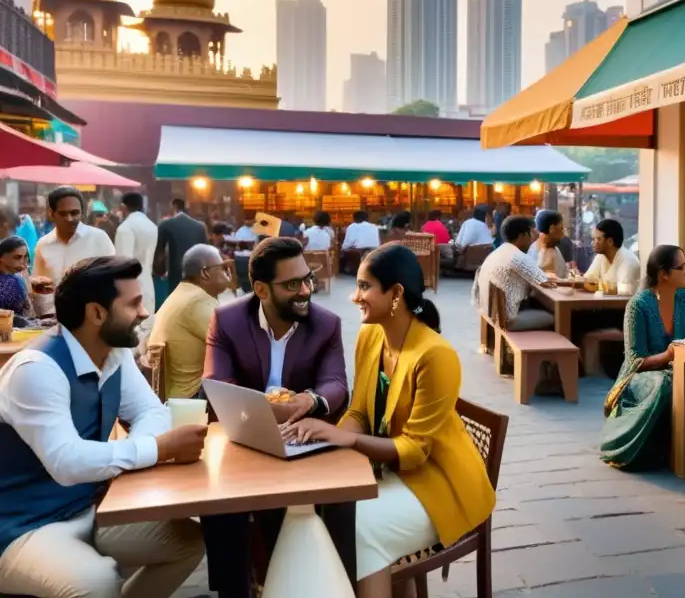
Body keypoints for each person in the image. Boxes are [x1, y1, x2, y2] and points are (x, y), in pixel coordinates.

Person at [282, 245, 495, 598]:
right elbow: (360, 412)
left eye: (365, 286)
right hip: (391, 474)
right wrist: (326, 440)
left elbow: (415, 451)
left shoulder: (436, 355)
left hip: (440, 486)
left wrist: (342, 440)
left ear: (396, 294)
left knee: (359, 526)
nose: (354, 296)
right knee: (317, 507)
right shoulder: (371, 335)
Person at [0, 256, 208, 597]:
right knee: (96, 582)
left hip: (91, 507)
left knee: (186, 542)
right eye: (134, 304)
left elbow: (152, 414)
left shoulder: (114, 354)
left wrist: (140, 453)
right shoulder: (36, 369)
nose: (143, 314)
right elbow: (67, 463)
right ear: (97, 313)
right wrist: (159, 449)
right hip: (22, 525)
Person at [201, 236, 349, 598]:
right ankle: (234, 589)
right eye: (292, 284)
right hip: (243, 435)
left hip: (301, 439)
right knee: (220, 503)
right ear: (261, 289)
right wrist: (263, 408)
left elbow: (336, 383)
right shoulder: (227, 319)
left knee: (296, 507)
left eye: (307, 279)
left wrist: (310, 401)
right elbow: (216, 381)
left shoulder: (325, 323)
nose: (304, 290)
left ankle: (291, 583)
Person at [600, 245, 685, 470]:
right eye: (682, 267)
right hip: (643, 376)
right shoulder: (638, 306)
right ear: (664, 274)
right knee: (666, 382)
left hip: (682, 368)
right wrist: (668, 355)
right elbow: (635, 362)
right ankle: (636, 446)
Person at [147, 245, 232, 400]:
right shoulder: (197, 301)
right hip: (192, 398)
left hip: (176, 395)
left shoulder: (183, 293)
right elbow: (236, 342)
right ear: (205, 273)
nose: (228, 272)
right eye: (222, 267)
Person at [33, 187, 115, 316]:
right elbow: (38, 286)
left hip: (92, 319)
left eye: (74, 213)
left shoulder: (99, 238)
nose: (70, 218)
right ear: (51, 213)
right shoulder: (43, 245)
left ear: (82, 213)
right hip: (54, 319)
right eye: (63, 214)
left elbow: (114, 278)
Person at [473, 215, 556, 331]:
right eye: (531, 234)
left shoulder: (499, 252)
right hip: (510, 320)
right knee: (558, 317)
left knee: (536, 303)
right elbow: (547, 282)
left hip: (492, 314)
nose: (533, 239)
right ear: (522, 235)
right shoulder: (518, 257)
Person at [115, 192, 159, 325]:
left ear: (124, 207)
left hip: (130, 289)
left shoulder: (125, 228)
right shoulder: (152, 226)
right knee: (146, 332)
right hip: (148, 286)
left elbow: (123, 264)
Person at [155, 198, 208, 294]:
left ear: (174, 206)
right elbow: (206, 253)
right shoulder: (200, 227)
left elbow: (159, 254)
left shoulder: (166, 225)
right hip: (196, 275)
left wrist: (159, 271)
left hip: (175, 273)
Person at [584, 219, 641, 288]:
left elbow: (620, 292)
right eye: (594, 239)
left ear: (610, 241)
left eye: (598, 239)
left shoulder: (629, 261)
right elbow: (587, 280)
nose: (593, 243)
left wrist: (596, 285)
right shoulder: (601, 256)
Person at [528, 209, 568, 279]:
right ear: (552, 229)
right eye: (561, 228)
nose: (563, 233)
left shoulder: (554, 248)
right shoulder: (534, 254)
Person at [0, 237, 31, 317]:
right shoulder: (14, 281)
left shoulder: (17, 278)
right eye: (17, 257)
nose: (22, 262)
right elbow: (28, 310)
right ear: (1, 257)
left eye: (25, 257)